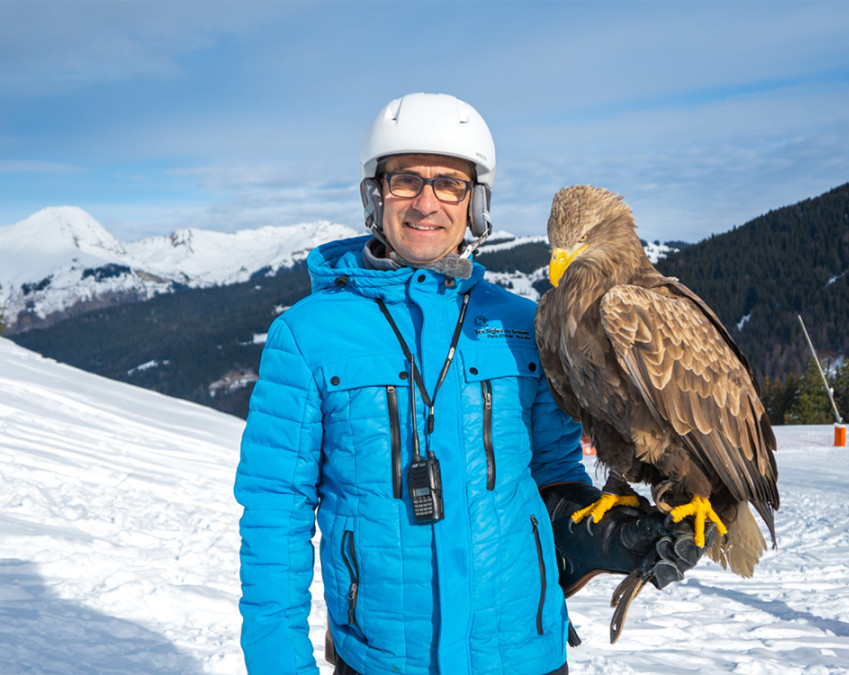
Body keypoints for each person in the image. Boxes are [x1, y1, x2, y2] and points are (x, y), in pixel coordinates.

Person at [235, 93, 707, 675]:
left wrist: (604, 531)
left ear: (474, 202)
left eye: (450, 184)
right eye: (405, 180)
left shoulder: (525, 323)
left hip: (525, 656)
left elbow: (553, 474)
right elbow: (274, 518)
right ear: (375, 193)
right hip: (383, 660)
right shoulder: (307, 337)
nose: (426, 202)